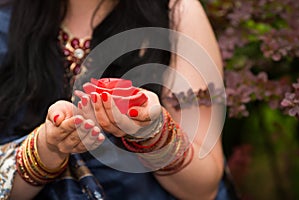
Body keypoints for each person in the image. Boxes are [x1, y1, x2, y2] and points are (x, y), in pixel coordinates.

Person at [0, 0, 231, 199]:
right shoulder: (6, 20)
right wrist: (42, 151)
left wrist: (154, 136)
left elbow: (203, 189)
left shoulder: (177, 14)